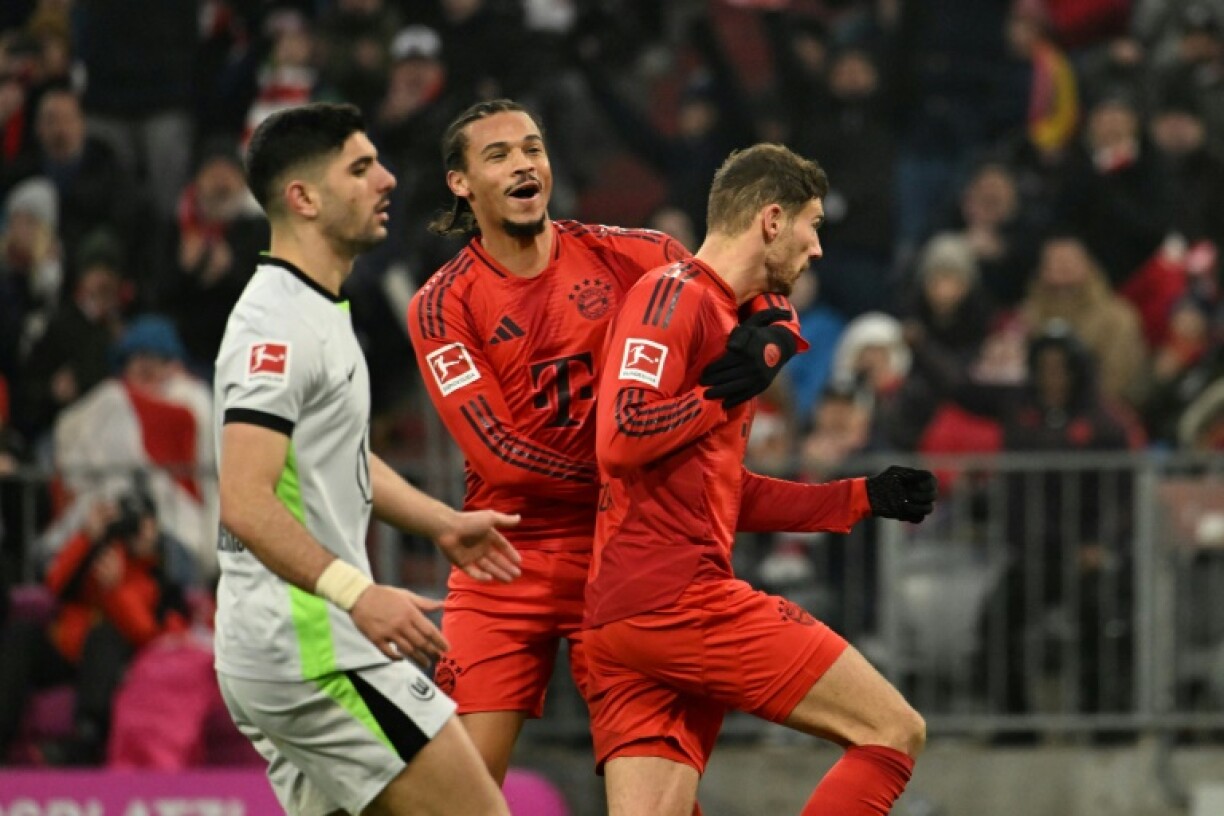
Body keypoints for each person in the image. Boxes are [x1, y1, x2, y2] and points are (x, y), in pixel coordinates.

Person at [584, 144, 938, 816]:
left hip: (626, 616)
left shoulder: (725, 317)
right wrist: (720, 396)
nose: (819, 248)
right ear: (772, 220)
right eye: (813, 225)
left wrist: (860, 496)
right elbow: (622, 438)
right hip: (675, 597)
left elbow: (721, 492)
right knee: (892, 731)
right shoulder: (672, 294)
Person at [214, 102, 521, 816]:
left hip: (285, 647)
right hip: (313, 652)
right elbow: (245, 498)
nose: (386, 180)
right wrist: (361, 594)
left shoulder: (316, 306)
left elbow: (340, 459)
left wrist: (440, 520)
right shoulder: (278, 327)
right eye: (360, 167)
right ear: (304, 198)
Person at [406, 98, 696, 785]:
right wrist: (629, 470)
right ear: (461, 183)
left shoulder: (629, 254)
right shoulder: (443, 303)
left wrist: (765, 334)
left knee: (655, 799)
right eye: (499, 155)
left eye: (532, 148)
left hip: (620, 552)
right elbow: (498, 453)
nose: (523, 163)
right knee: (460, 791)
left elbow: (725, 286)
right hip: (507, 557)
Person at [0, 490, 196, 765]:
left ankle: (85, 739)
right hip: (65, 651)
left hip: (113, 665)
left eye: (143, 523)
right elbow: (54, 586)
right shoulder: (97, 554)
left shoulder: (163, 582)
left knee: (105, 634)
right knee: (22, 633)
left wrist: (116, 590)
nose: (134, 530)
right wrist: (86, 538)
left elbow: (149, 635)